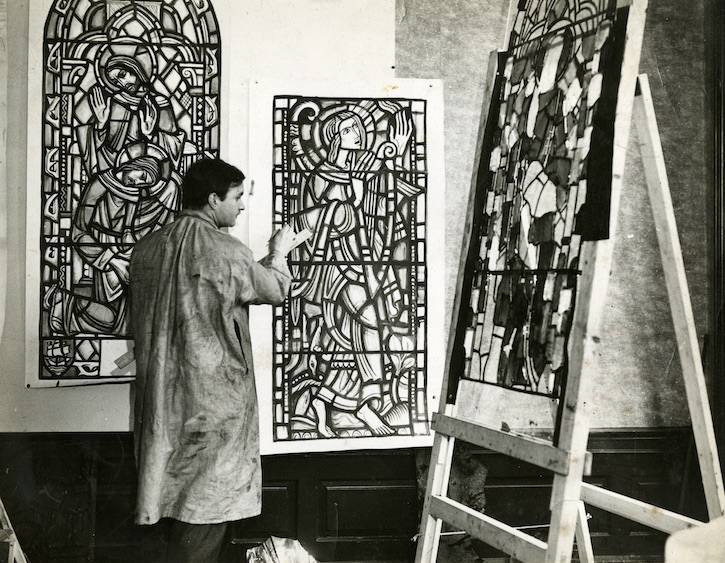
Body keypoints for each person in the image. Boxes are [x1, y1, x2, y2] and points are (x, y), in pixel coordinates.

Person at [128, 158, 295, 562]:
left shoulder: (146, 250)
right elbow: (274, 290)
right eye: (236, 197)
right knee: (205, 508)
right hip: (214, 404)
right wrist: (278, 251)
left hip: (160, 402)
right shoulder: (228, 251)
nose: (240, 207)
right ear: (212, 198)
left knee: (170, 497)